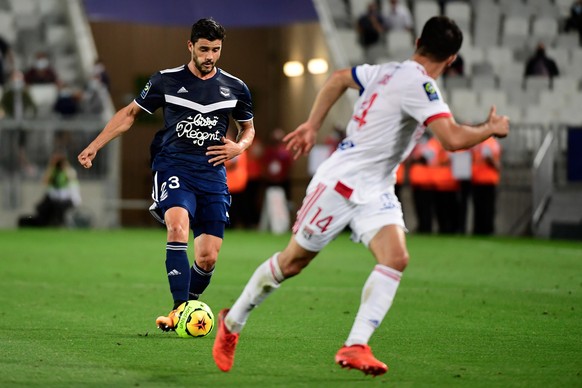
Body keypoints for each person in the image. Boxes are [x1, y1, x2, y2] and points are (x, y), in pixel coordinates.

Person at [212, 16, 509, 376]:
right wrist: (490, 129)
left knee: (395, 257)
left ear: (417, 42)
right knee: (292, 263)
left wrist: (312, 124)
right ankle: (232, 323)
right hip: (339, 184)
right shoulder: (422, 86)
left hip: (377, 189)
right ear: (450, 60)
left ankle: (355, 345)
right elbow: (453, 139)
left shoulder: (387, 70)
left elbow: (339, 78)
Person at [77, 18, 255, 329]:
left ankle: (178, 313)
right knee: (177, 226)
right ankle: (181, 306)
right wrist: (95, 144)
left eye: (215, 50)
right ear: (190, 46)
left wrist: (239, 147)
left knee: (208, 256)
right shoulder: (165, 80)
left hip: (212, 174)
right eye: (203, 49)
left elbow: (248, 129)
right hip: (174, 166)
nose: (209, 56)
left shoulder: (235, 87)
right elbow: (130, 114)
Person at [18, 153, 81, 227]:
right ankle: (43, 223)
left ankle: (59, 224)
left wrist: (65, 166)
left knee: (58, 207)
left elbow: (71, 178)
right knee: (41, 207)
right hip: (57, 198)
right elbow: (45, 181)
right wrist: (52, 165)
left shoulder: (69, 170)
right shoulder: (54, 171)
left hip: (69, 198)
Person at [471, 136, 501, 235]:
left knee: (480, 207)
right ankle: (487, 229)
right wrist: (496, 165)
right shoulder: (489, 142)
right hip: (487, 178)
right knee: (488, 207)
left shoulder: (481, 142)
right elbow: (487, 156)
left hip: (479, 178)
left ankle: (479, 228)